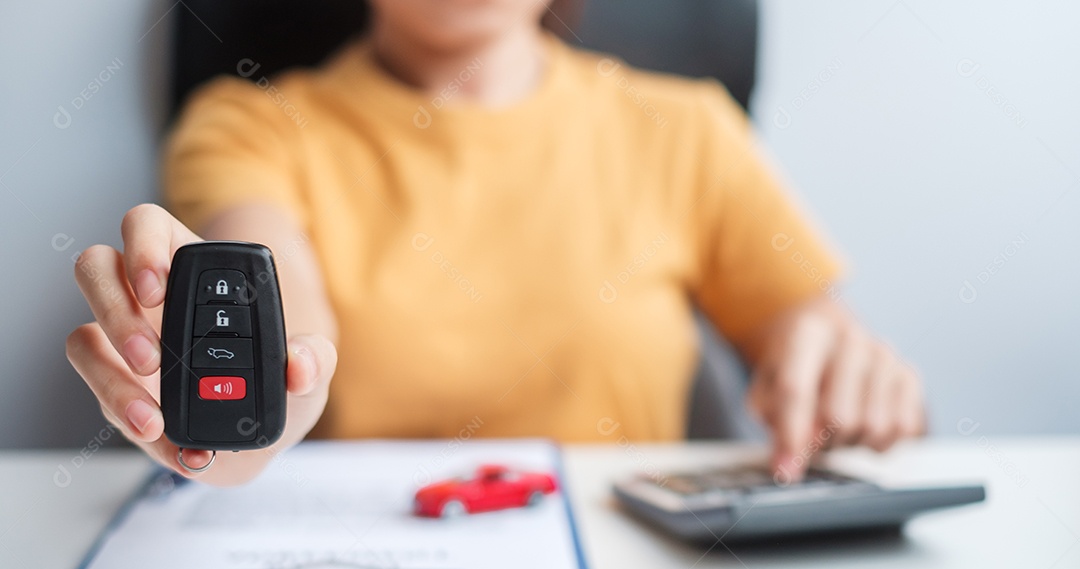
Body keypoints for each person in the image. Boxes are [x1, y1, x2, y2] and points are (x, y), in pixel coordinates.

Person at [66, 0, 924, 486]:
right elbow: (287, 342)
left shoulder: (690, 127)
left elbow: (829, 356)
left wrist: (853, 385)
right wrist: (232, 431)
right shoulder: (250, 125)